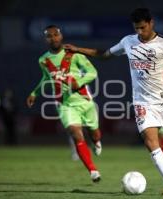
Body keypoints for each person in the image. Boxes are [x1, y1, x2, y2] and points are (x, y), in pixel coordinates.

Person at [64, 8, 163, 195]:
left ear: (151, 23)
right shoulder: (128, 41)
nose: (139, 32)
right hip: (141, 103)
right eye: (136, 28)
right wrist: (79, 50)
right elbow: (105, 54)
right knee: (151, 142)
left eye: (142, 28)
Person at [26, 25, 102, 182]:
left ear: (61, 36)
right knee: (76, 134)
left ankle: (96, 142)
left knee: (94, 133)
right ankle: (93, 171)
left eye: (55, 35)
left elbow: (92, 73)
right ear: (45, 39)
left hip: (85, 101)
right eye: (49, 36)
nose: (53, 38)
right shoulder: (43, 60)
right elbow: (46, 79)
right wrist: (34, 93)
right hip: (64, 104)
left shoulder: (74, 54)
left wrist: (78, 83)